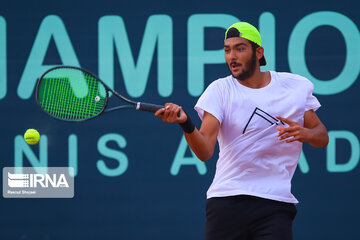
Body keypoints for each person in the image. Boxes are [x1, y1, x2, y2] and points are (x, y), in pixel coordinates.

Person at [155, 21, 329, 240]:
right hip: (227, 202)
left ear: (258, 52)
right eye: (227, 50)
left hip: (275, 205)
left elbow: (322, 136)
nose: (232, 57)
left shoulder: (293, 87)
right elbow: (205, 151)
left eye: (240, 48)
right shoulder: (220, 90)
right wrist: (186, 124)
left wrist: (307, 134)